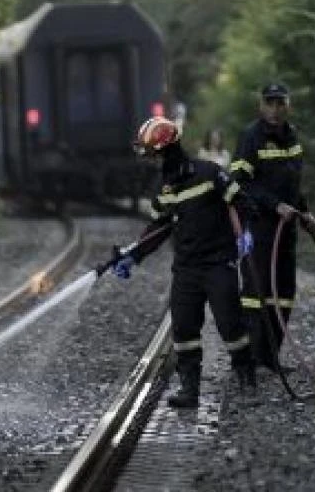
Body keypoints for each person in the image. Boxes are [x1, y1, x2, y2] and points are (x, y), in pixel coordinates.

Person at [110, 116, 256, 409]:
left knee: (230, 323)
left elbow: (241, 201)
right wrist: (133, 256)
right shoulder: (166, 189)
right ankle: (190, 389)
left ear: (167, 149)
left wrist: (246, 232)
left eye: (152, 153)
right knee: (184, 329)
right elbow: (157, 230)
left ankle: (246, 378)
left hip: (218, 262)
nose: (150, 160)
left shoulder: (209, 173)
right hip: (187, 267)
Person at [229, 83, 315, 373]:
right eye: (270, 103)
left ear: (288, 105)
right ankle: (252, 358)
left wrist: (304, 211)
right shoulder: (250, 137)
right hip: (259, 227)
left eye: (280, 103)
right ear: (261, 105)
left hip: (286, 229)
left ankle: (271, 356)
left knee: (284, 293)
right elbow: (240, 182)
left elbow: (293, 182)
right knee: (257, 293)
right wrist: (273, 205)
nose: (275, 109)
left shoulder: (292, 136)